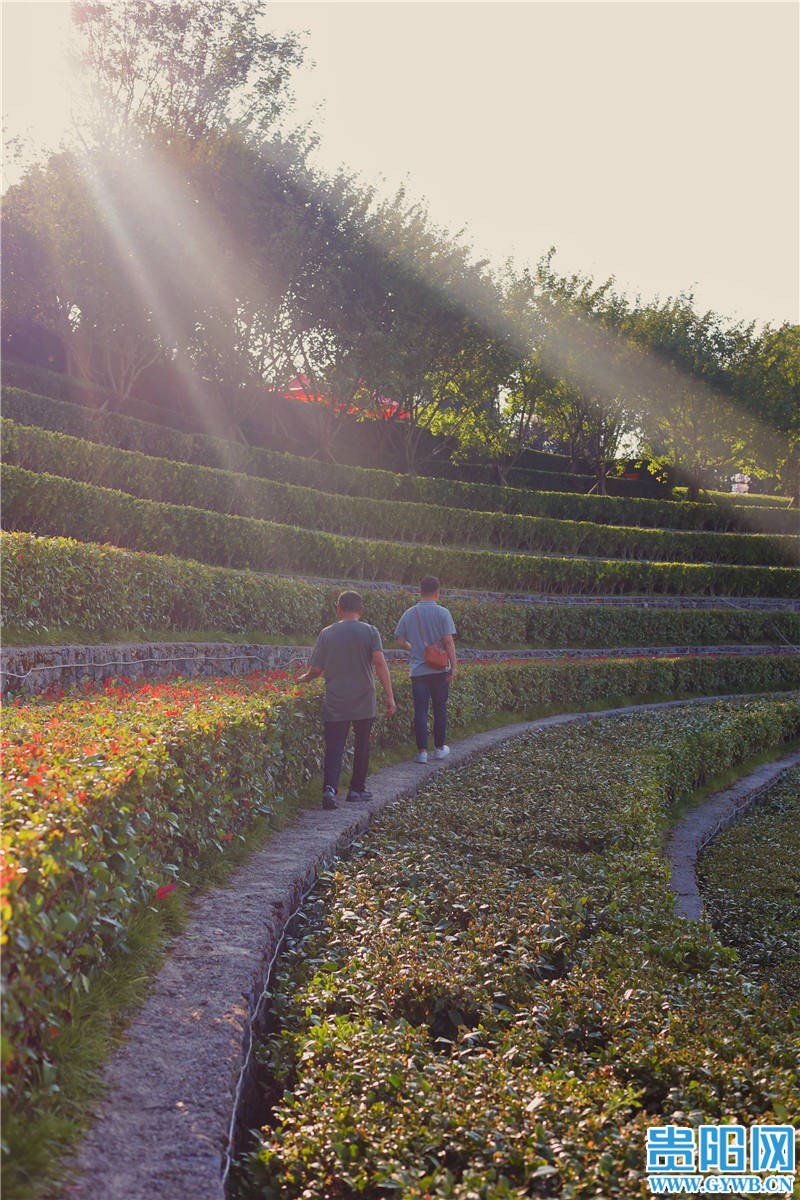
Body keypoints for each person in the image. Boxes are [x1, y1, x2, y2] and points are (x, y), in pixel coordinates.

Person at [297, 590, 396, 810]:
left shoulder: (327, 633)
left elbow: (316, 669)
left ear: (338, 609)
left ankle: (329, 789)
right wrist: (390, 696)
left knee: (334, 745)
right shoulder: (370, 631)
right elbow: (379, 663)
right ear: (361, 610)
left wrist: (304, 679)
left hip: (336, 698)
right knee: (362, 744)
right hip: (364, 698)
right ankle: (356, 790)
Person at [394, 575, 456, 764]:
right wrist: (454, 666)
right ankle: (439, 748)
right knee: (440, 708)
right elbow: (448, 641)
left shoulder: (409, 613)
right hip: (439, 670)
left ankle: (422, 752)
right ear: (437, 593)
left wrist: (415, 649)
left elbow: (400, 640)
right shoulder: (443, 613)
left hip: (418, 671)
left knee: (420, 711)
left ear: (419, 592)